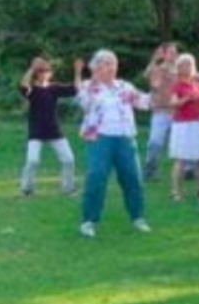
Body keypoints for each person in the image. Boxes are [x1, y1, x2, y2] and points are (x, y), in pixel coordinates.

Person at [76, 50, 153, 238]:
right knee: (96, 177)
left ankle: (138, 217)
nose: (110, 67)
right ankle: (88, 221)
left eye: (112, 63)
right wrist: (94, 81)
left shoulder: (124, 86)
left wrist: (158, 89)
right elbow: (84, 105)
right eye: (104, 63)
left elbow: (144, 103)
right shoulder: (88, 86)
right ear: (95, 67)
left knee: (133, 177)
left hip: (125, 138)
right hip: (100, 138)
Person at [18, 56, 81, 197]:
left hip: (54, 131)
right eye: (40, 71)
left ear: (50, 73)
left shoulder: (54, 88)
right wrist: (32, 68)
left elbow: (76, 89)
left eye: (46, 71)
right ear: (36, 74)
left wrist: (77, 71)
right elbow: (23, 86)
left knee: (69, 159)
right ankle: (27, 189)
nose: (43, 73)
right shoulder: (32, 89)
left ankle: (68, 188)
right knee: (32, 160)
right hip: (36, 132)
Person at [168, 53, 199, 202]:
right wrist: (187, 98)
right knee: (181, 159)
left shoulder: (198, 85)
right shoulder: (177, 85)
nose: (186, 67)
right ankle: (175, 191)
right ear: (178, 68)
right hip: (182, 125)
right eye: (183, 64)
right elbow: (173, 103)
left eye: (189, 64)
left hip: (198, 123)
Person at [143, 43, 178, 181]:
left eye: (175, 52)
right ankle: (150, 169)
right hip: (161, 111)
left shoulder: (180, 70)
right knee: (155, 142)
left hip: (177, 111)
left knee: (179, 142)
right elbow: (146, 75)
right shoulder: (157, 68)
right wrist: (154, 59)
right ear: (164, 54)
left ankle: (188, 169)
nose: (173, 54)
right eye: (170, 52)